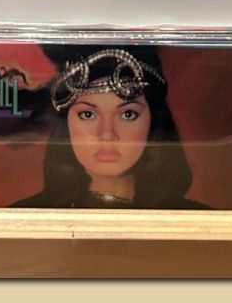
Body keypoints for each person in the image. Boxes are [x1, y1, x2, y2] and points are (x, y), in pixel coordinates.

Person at [14, 46, 206, 209]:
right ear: (66, 124)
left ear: (153, 122)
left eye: (127, 114)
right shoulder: (22, 219)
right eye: (88, 114)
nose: (107, 134)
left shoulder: (201, 223)